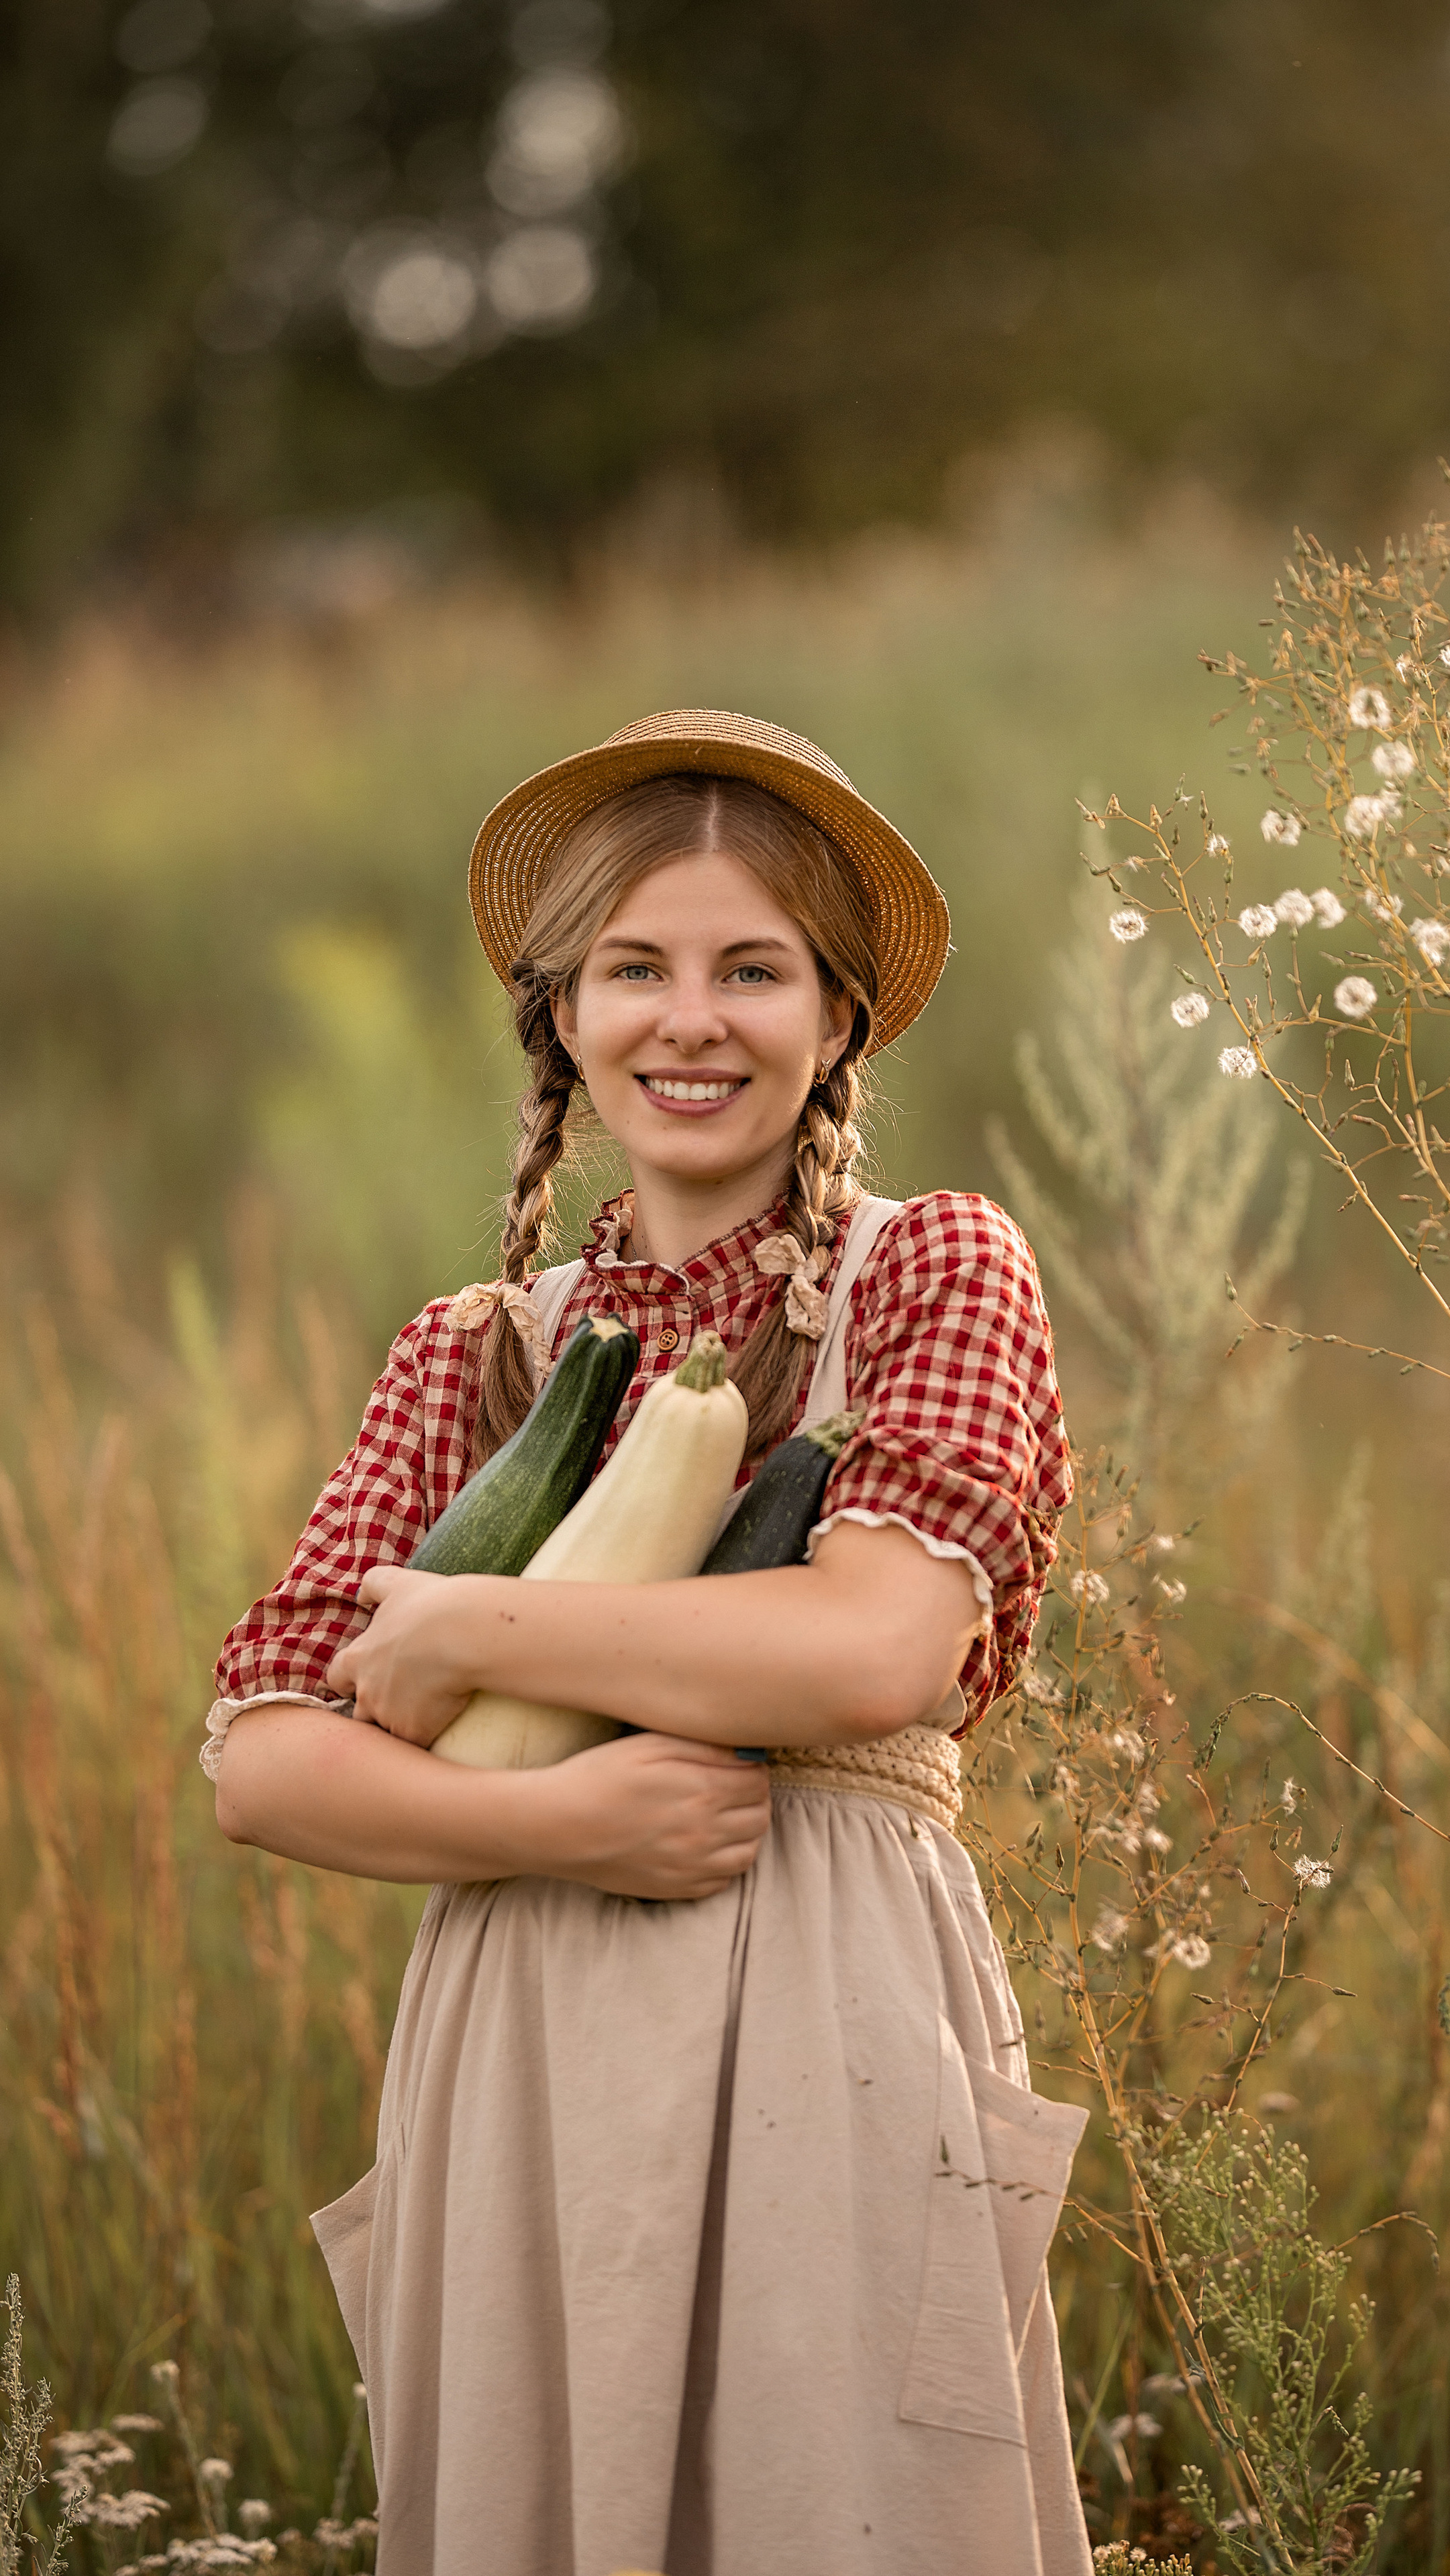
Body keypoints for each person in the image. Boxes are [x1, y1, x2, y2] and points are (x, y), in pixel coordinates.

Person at [206, 709, 1090, 2576]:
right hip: (520, 2026)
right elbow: (262, 1753)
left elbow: (874, 1652)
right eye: (637, 970)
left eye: (753, 970)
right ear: (562, 1016)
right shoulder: (481, 1353)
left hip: (832, 2006)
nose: (693, 1022)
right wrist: (566, 1829)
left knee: (843, 2507)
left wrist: (479, 1630)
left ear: (838, 1019)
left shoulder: (932, 1270)